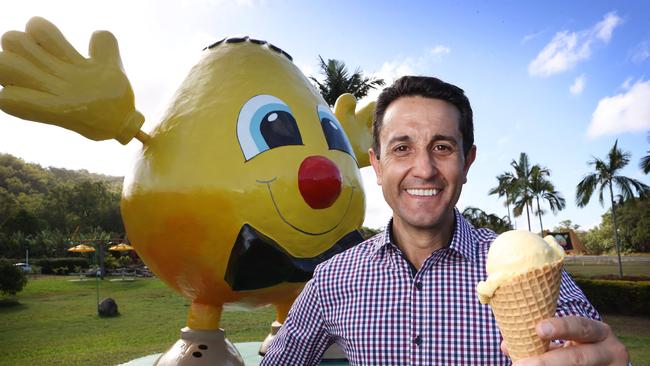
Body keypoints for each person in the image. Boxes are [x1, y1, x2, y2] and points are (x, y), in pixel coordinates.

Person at [261, 76, 629, 365]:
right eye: (402, 148)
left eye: (442, 147)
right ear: (376, 165)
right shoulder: (333, 279)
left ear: (467, 162)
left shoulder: (528, 268)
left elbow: (584, 347)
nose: (423, 169)